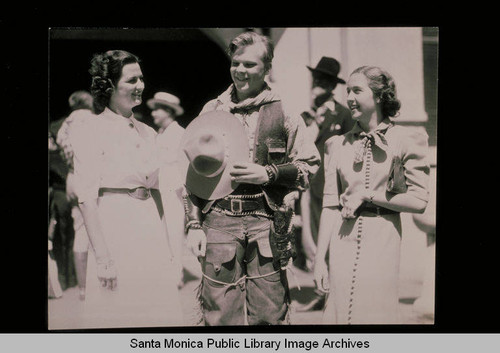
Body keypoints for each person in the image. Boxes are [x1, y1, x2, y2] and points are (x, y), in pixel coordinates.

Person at [181, 31, 320, 326]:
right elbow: (193, 176)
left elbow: (309, 165)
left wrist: (268, 174)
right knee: (219, 317)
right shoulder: (212, 109)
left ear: (266, 68)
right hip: (218, 220)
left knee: (269, 315)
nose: (240, 71)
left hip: (266, 222)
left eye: (250, 65)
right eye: (236, 63)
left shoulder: (285, 111)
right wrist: (193, 225)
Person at [71, 50, 183, 328]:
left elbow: (165, 187)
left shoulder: (148, 132)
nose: (140, 86)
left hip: (149, 228)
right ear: (109, 86)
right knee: (117, 312)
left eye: (141, 79)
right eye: (132, 80)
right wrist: (103, 257)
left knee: (156, 313)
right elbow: (86, 198)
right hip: (114, 227)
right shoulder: (90, 129)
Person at [313, 66, 430, 324]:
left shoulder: (406, 140)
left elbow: (419, 201)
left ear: (379, 96)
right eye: (347, 91)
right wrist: (320, 259)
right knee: (340, 313)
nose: (349, 98)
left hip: (383, 238)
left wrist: (369, 195)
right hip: (342, 240)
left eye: (357, 90)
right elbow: (330, 206)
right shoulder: (336, 145)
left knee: (375, 315)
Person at [296, 57, 355, 312]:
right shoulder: (306, 115)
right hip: (308, 188)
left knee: (328, 240)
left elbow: (352, 151)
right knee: (307, 239)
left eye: (324, 79)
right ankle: (322, 291)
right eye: (316, 78)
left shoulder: (343, 114)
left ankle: (330, 295)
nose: (317, 83)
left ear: (332, 85)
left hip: (331, 188)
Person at [56, 90, 95, 301]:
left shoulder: (65, 126)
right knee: (96, 229)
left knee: (79, 231)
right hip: (90, 178)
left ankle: (82, 288)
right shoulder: (93, 121)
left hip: (72, 179)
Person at [147, 91, 187, 288]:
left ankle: (176, 274)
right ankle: (166, 270)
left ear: (169, 111)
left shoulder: (179, 133)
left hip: (173, 189)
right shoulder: (159, 134)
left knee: (174, 231)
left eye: (158, 109)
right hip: (158, 189)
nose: (153, 113)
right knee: (161, 231)